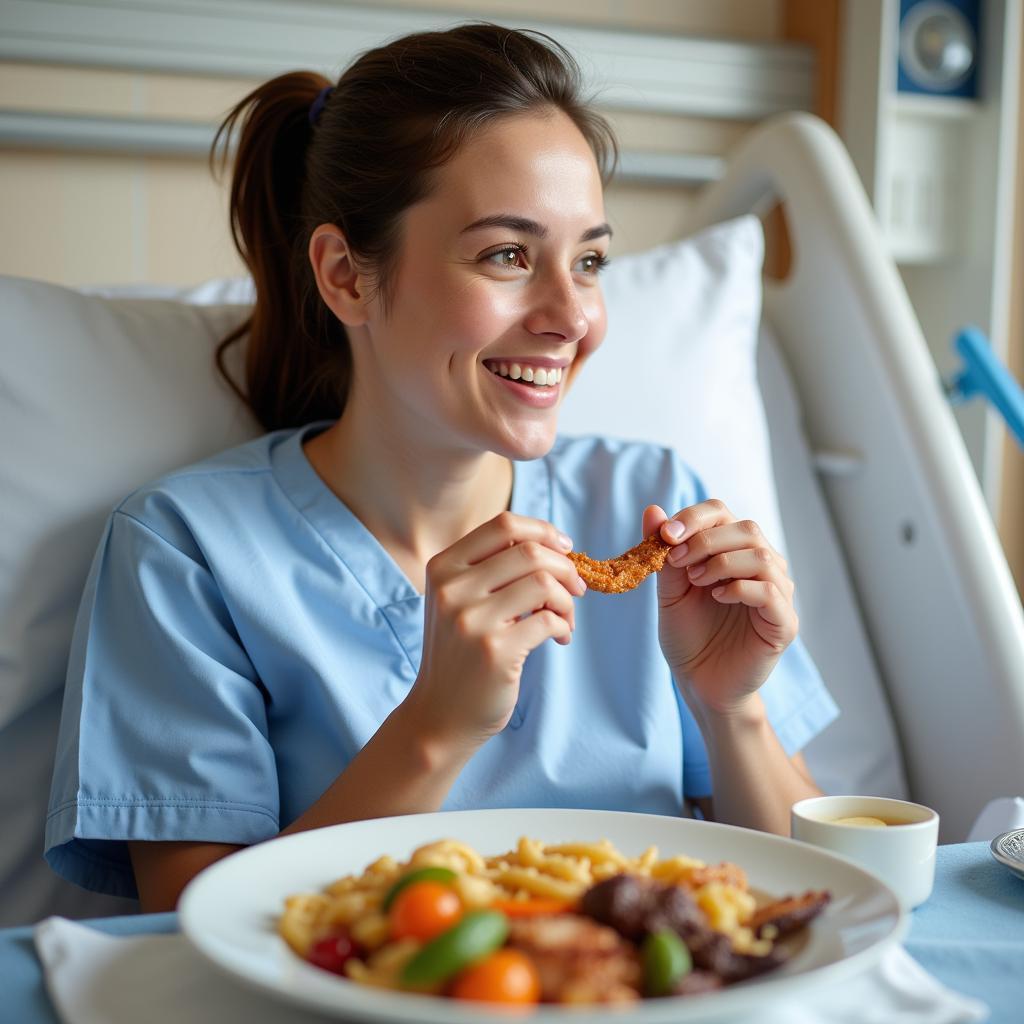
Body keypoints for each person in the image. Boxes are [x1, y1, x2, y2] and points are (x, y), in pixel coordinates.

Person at [45, 23, 837, 913]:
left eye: (590, 261)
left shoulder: (652, 504)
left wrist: (732, 710)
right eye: (507, 255)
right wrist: (434, 728)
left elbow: (813, 904)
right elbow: (187, 932)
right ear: (346, 276)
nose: (572, 316)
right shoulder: (187, 551)